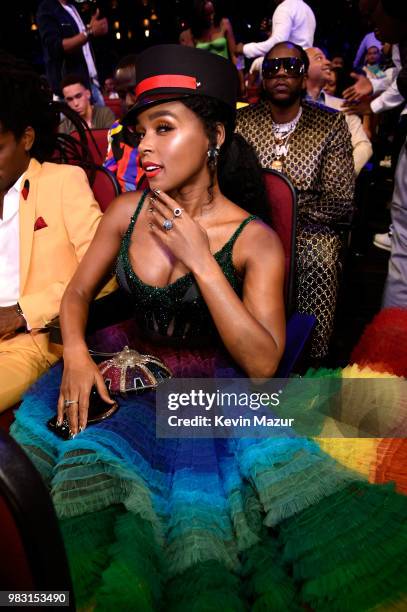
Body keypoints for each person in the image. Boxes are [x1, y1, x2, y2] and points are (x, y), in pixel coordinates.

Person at [10, 44, 407, 612]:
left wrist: (200, 259)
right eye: (139, 131)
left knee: (190, 529)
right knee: (47, 487)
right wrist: (74, 352)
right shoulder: (125, 212)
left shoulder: (255, 242)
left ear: (216, 136)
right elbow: (75, 294)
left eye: (163, 128)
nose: (143, 146)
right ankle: (30, 599)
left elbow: (264, 363)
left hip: (210, 398)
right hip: (118, 370)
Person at [0, 56, 108, 412]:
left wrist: (20, 312)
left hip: (34, 340)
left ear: (26, 138)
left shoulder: (63, 182)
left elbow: (103, 272)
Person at [236, 42, 355, 359]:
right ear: (263, 78)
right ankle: (244, 354)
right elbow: (232, 184)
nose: (282, 72)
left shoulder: (330, 123)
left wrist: (287, 220)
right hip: (250, 224)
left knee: (322, 254)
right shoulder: (243, 122)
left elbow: (340, 199)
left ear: (304, 77)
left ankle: (311, 358)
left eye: (292, 66)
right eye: (272, 67)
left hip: (312, 228)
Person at [305, 47, 373, 176]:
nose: (328, 62)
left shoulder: (343, 107)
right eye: (319, 58)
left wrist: (340, 175)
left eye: (326, 58)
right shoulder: (287, 103)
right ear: (302, 67)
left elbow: (363, 146)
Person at [36, 0, 108, 103]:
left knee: (104, 118)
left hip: (91, 84)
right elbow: (56, 47)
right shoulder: (47, 8)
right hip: (69, 94)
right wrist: (90, 32)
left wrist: (93, 28)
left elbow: (83, 38)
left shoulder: (74, 7)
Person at [104, 55, 144, 191]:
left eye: (133, 92)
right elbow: (108, 174)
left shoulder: (167, 128)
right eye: (121, 95)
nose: (128, 102)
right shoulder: (116, 129)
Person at [236, 0, 316, 60]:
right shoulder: (307, 9)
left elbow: (278, 44)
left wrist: (245, 49)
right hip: (307, 59)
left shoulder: (284, 8)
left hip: (291, 63)